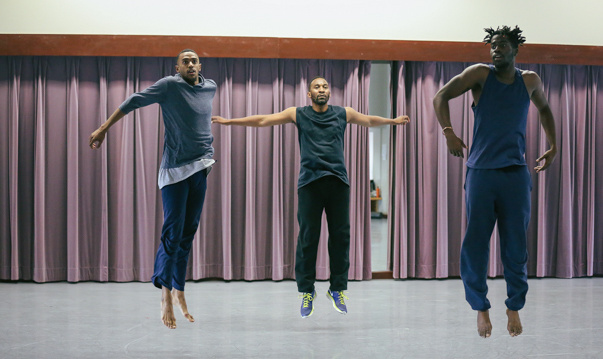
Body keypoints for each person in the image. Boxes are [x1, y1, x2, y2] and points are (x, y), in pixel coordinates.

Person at [212, 77, 409, 318]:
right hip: (309, 185)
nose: (322, 89)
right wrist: (230, 121)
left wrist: (392, 121)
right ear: (309, 94)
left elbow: (367, 120)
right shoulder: (298, 114)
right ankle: (306, 291)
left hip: (338, 183)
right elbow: (264, 120)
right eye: (317, 87)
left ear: (329, 92)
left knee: (341, 239)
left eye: (325, 86)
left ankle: (337, 289)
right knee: (308, 239)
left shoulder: (343, 113)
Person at [433, 26, 557, 338]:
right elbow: (441, 97)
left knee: (515, 245)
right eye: (492, 45)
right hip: (481, 173)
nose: (495, 50)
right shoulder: (479, 74)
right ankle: (481, 308)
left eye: (502, 45)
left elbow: (544, 109)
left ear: (516, 49)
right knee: (475, 244)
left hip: (515, 174)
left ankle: (513, 305)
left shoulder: (529, 80)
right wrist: (448, 131)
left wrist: (554, 145)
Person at [89, 49, 217, 329]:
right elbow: (133, 101)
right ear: (178, 67)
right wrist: (104, 128)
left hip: (201, 167)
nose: (191, 64)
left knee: (188, 233)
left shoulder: (210, 87)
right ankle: (165, 294)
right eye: (185, 61)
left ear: (200, 65)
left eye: (194, 60)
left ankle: (179, 287)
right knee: (172, 233)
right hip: (174, 171)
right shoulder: (169, 85)